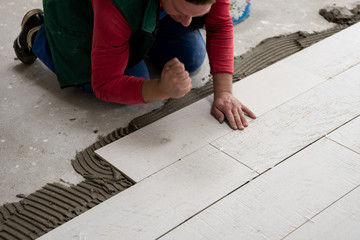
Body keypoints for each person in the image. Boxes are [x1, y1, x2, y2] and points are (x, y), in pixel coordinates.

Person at [13, 0, 256, 130]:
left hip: (146, 7)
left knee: (191, 57)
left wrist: (224, 93)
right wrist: (159, 89)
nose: (187, 23)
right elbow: (105, 84)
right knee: (129, 82)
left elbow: (220, 25)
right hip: (83, 12)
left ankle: (145, 26)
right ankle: (39, 35)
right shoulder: (118, 3)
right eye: (181, 11)